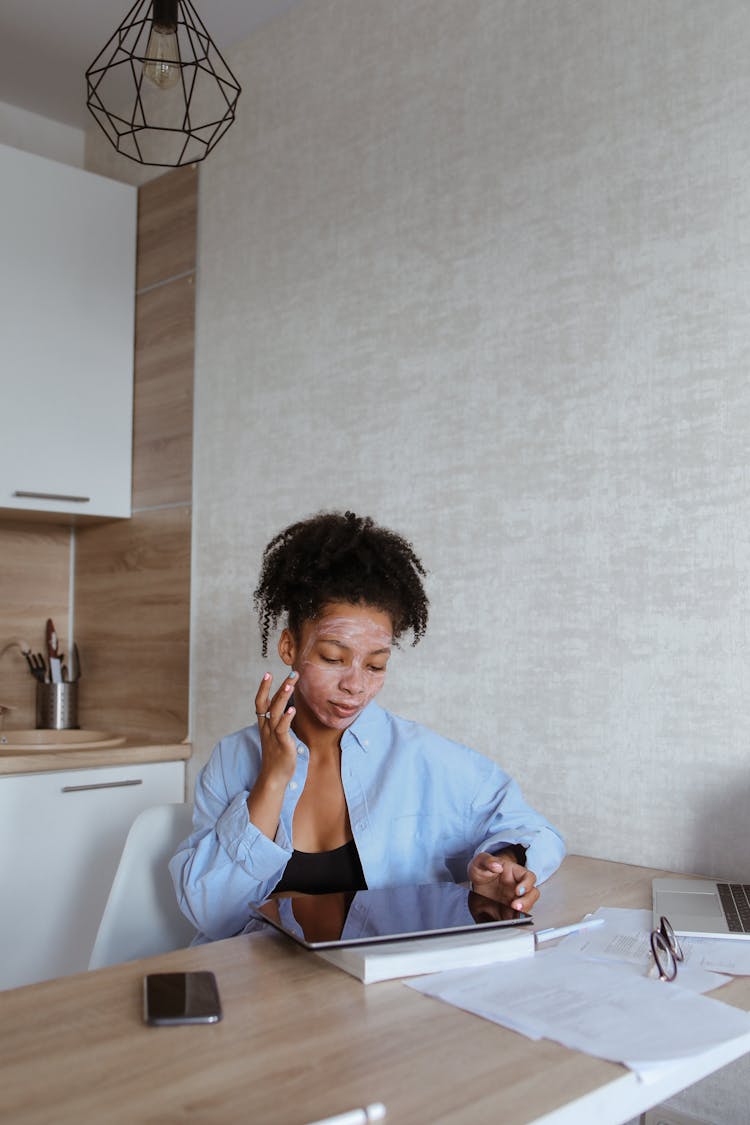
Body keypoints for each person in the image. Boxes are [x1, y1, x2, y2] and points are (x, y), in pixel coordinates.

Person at [170, 510, 565, 942]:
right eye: (333, 658)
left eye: (376, 665)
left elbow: (534, 830)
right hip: (261, 992)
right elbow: (210, 917)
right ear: (290, 646)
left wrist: (503, 861)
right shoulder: (232, 760)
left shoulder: (420, 757)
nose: (355, 685)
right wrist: (271, 780)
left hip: (381, 993)